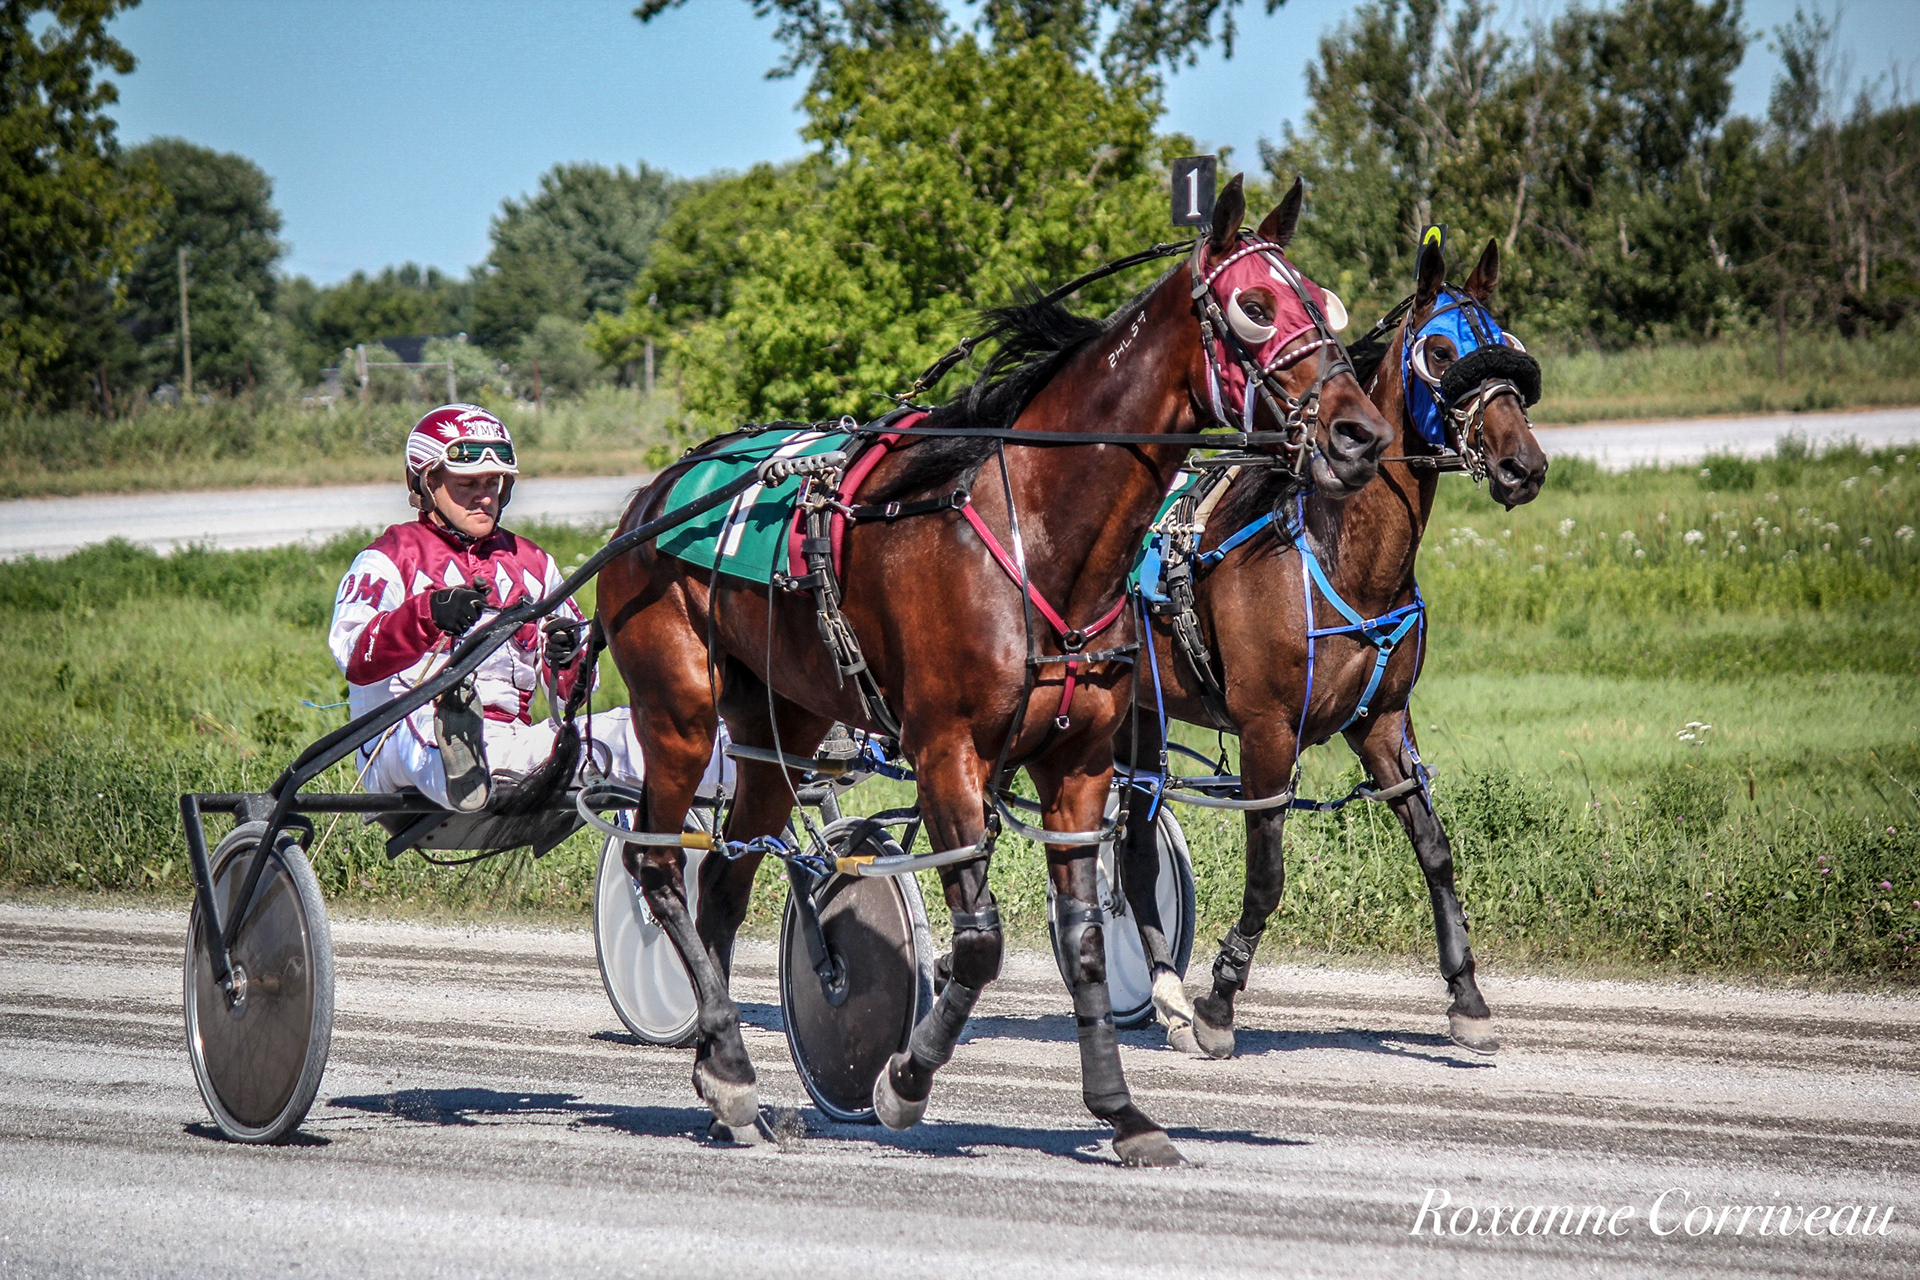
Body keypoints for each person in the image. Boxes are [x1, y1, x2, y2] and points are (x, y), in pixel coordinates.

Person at [328, 403, 725, 811]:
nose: (484, 497)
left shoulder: (533, 563)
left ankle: (745, 764)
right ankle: (461, 762)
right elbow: (354, 656)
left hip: (508, 747)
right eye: (467, 484)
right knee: (427, 729)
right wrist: (428, 612)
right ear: (428, 483)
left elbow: (575, 693)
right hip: (399, 742)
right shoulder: (388, 557)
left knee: (645, 731)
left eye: (493, 483)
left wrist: (568, 659)